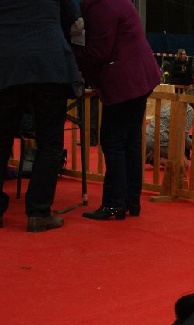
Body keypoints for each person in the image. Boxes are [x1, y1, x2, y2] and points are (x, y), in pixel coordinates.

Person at [74, 0, 162, 220]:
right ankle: (131, 201)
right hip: (140, 78)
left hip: (125, 82)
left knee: (113, 141)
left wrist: (69, 57)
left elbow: (97, 52)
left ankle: (114, 203)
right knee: (130, 141)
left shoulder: (100, 7)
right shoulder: (118, 2)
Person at [0, 0, 83, 232]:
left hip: (7, 63)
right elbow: (73, 20)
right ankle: (38, 212)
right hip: (49, 61)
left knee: (1, 136)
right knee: (50, 141)